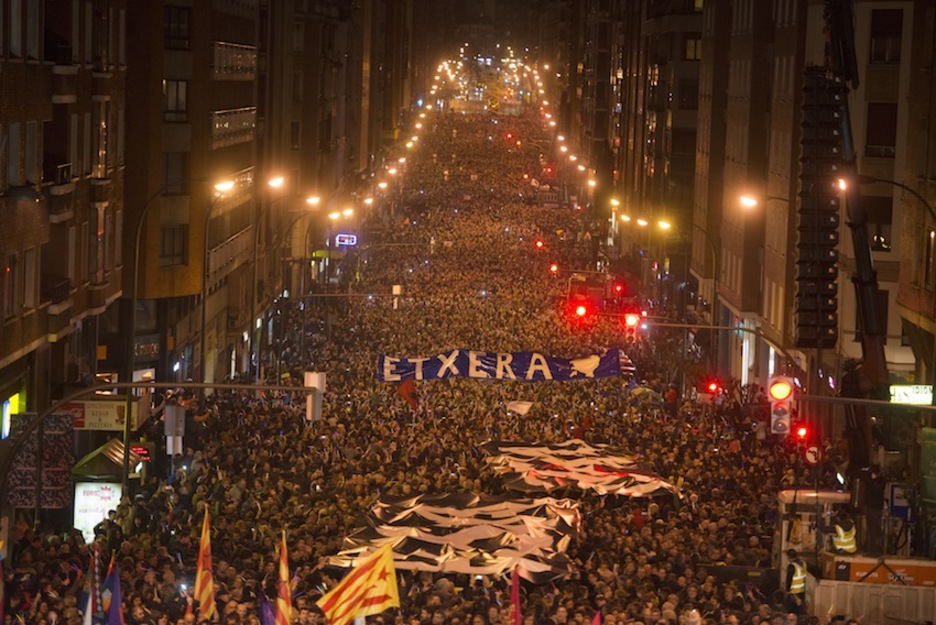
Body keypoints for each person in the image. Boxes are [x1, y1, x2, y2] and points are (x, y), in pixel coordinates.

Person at [785, 549, 807, 615]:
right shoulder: (803, 563)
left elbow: (789, 579)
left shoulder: (792, 566)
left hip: (793, 593)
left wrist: (787, 590)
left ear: (788, 556)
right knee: (799, 611)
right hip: (802, 591)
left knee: (792, 612)